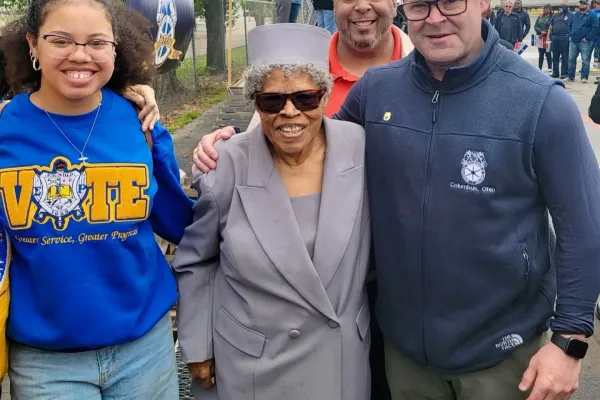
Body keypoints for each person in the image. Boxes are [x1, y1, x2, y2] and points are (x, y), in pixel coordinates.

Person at [194, 0, 600, 398]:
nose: (435, 18)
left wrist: (569, 341)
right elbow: (304, 137)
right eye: (421, 5)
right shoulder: (378, 89)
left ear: (483, 4)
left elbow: (583, 229)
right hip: (404, 358)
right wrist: (230, 145)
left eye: (450, 3)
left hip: (502, 356)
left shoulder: (540, 102)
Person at [0, 0, 195, 398]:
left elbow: (179, 223)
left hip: (144, 350)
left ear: (114, 50)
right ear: (33, 45)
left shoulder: (141, 122)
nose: (80, 55)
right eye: (61, 40)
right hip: (45, 363)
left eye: (96, 42)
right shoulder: (5, 130)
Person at [173, 23, 372, 400]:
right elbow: (196, 261)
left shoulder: (362, 148)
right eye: (272, 101)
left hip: (340, 357)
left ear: (325, 96)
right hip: (255, 364)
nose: (290, 112)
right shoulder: (226, 164)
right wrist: (197, 345)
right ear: (255, 103)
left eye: (305, 98)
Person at [567, 0, 598, 82]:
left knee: (585, 60)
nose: (581, 5)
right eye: (581, 3)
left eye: (583, 4)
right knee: (571, 59)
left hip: (585, 42)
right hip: (573, 41)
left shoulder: (592, 15)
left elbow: (595, 28)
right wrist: (570, 35)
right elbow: (569, 24)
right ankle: (570, 76)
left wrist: (587, 38)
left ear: (588, 5)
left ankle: (584, 77)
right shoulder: (574, 14)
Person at [549, 1, 571, 79]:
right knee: (555, 56)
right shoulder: (556, 15)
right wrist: (549, 36)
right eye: (561, 5)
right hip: (555, 38)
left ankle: (564, 73)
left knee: (564, 56)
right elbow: (550, 26)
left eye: (564, 5)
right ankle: (555, 72)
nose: (562, 6)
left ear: (568, 6)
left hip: (564, 37)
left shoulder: (571, 15)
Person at [534, 4, 553, 71]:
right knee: (541, 54)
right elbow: (535, 26)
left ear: (550, 10)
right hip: (540, 37)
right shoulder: (540, 16)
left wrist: (545, 31)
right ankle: (539, 68)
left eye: (546, 9)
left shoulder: (552, 17)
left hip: (548, 38)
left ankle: (550, 68)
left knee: (548, 53)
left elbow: (551, 27)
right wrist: (540, 31)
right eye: (544, 8)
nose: (545, 10)